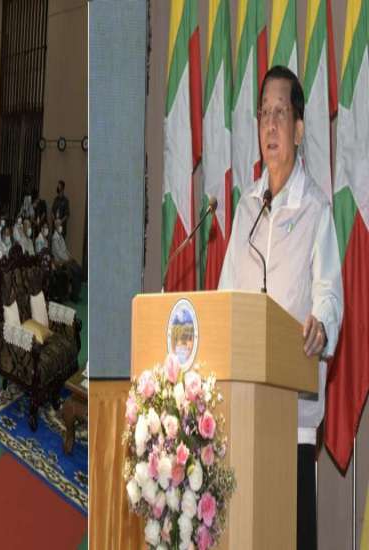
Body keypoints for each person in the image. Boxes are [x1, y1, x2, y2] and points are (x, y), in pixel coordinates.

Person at [218, 65, 343, 550]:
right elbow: (227, 300)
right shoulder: (247, 208)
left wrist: (321, 327)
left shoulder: (316, 210)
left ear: (299, 128)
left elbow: (329, 295)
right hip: (243, 414)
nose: (270, 126)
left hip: (292, 422)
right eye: (263, 114)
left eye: (280, 114)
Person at [52, 219, 82, 303]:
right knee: (75, 271)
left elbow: (65, 249)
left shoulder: (60, 236)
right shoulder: (55, 238)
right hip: (60, 262)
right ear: (56, 226)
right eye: (59, 225)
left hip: (66, 260)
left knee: (78, 269)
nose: (61, 226)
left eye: (61, 225)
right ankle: (74, 296)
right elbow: (59, 254)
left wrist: (70, 256)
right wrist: (68, 259)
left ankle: (75, 294)